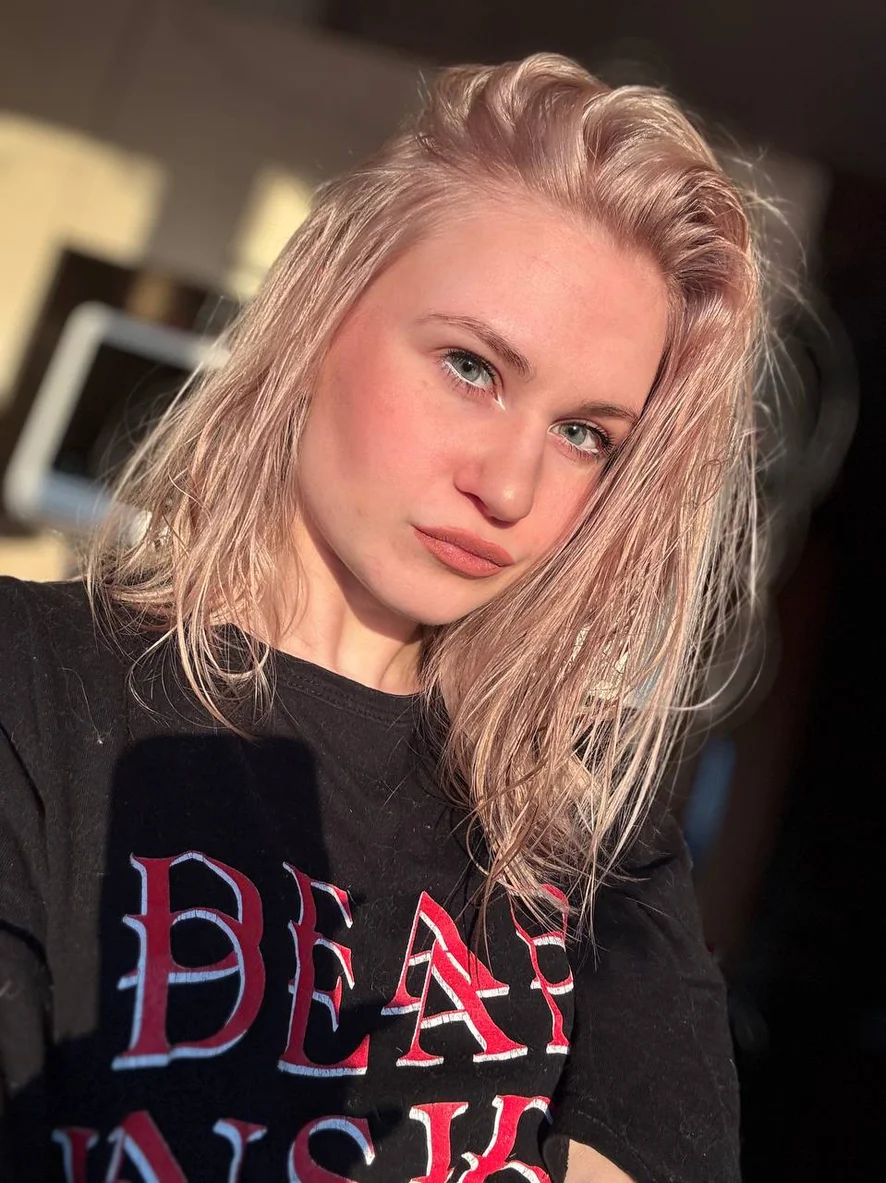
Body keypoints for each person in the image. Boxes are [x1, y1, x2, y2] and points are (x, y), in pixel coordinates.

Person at [0, 53, 764, 1182]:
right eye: (470, 365)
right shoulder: (32, 685)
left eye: (584, 434)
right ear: (321, 315)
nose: (509, 487)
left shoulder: (585, 815)